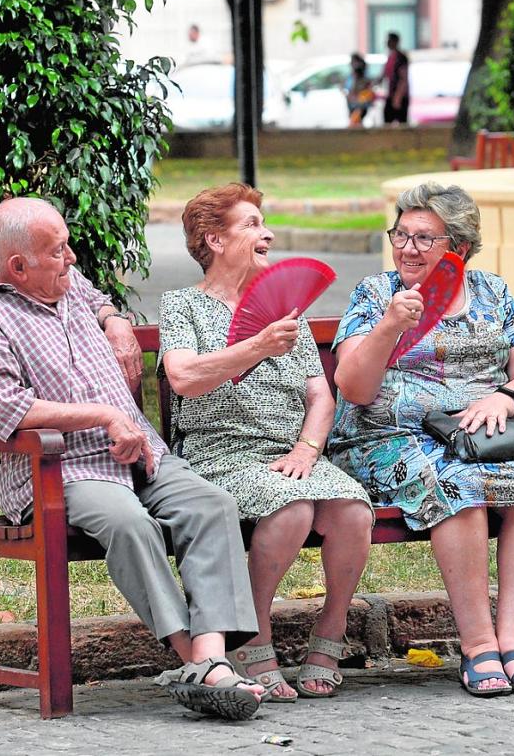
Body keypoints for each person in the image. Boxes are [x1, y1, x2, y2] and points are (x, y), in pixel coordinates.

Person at [0, 197, 265, 720]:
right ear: (17, 267)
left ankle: (210, 659)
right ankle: (200, 666)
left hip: (137, 456)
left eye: (68, 244)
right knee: (130, 524)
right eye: (57, 251)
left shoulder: (67, 285)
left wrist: (114, 319)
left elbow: (95, 293)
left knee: (211, 505)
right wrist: (101, 415)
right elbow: (3, 406)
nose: (71, 257)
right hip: (60, 469)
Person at [329, 181, 514, 698]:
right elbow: (354, 387)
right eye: (401, 235)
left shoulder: (493, 292)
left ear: (460, 248)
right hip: (386, 436)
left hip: (475, 434)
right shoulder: (375, 294)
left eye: (423, 238)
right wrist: (390, 325)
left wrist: (506, 399)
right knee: (457, 486)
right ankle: (478, 646)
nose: (407, 248)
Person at [159, 184, 374, 702]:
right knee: (293, 508)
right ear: (214, 239)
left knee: (353, 511)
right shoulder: (182, 304)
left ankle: (330, 637)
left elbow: (320, 395)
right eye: (251, 224)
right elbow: (184, 377)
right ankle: (253, 637)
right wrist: (256, 345)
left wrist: (307, 449)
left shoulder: (283, 307)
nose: (267, 233)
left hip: (290, 454)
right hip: (219, 453)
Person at [381, 32, 410, 125]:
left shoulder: (401, 57)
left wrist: (398, 97)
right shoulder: (390, 57)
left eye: (389, 40)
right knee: (387, 121)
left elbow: (403, 78)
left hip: (399, 96)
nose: (387, 43)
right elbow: (384, 74)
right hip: (391, 94)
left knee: (401, 124)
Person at [344, 53, 375, 127]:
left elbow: (364, 91)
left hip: (359, 104)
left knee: (356, 122)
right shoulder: (351, 76)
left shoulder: (362, 78)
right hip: (353, 103)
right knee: (355, 122)